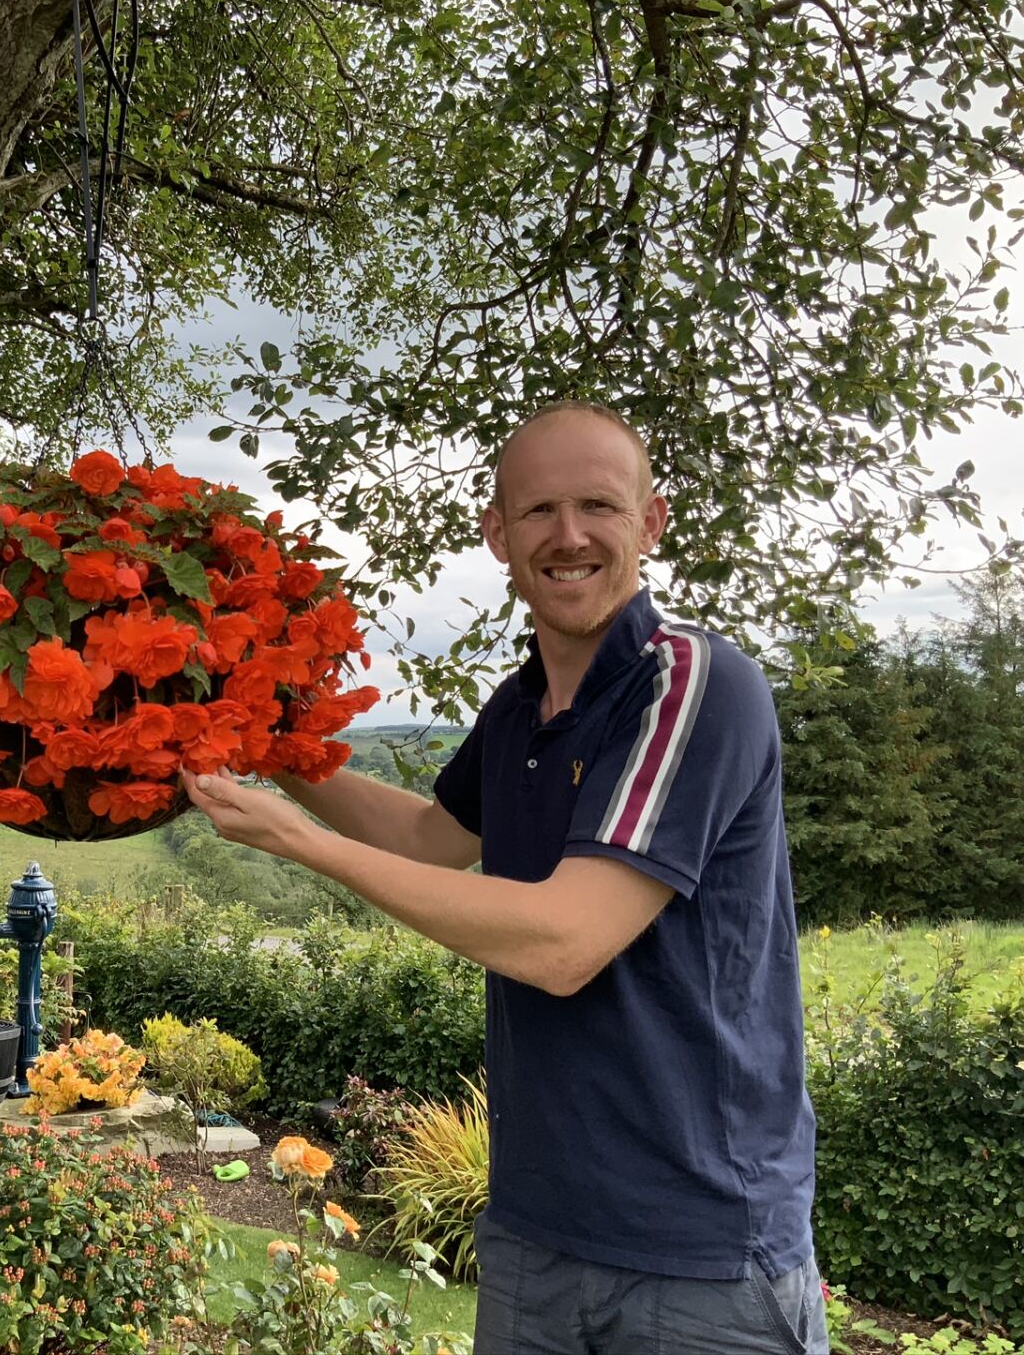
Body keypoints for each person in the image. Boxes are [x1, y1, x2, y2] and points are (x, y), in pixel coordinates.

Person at [183, 401, 825, 1355]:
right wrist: (277, 748)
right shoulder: (520, 708)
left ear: (650, 523)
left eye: (599, 507)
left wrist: (301, 843)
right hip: (533, 1231)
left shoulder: (689, 683)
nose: (569, 537)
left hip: (699, 1251)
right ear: (498, 533)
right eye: (538, 512)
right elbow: (435, 839)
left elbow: (566, 942)